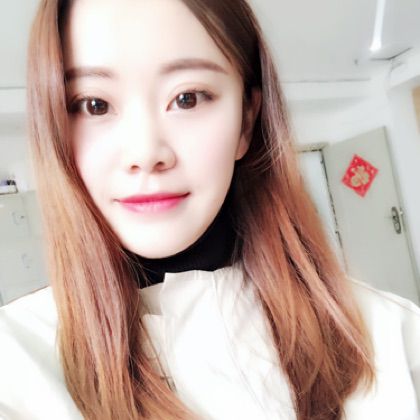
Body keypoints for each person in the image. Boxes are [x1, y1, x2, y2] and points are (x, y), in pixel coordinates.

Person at [0, 0, 419, 419]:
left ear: (246, 122)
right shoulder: (15, 366)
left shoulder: (394, 340)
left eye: (187, 98)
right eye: (94, 105)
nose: (145, 153)